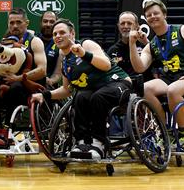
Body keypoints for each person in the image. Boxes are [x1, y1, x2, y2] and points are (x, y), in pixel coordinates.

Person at [31, 19, 131, 160]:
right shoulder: (65, 61)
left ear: (72, 34)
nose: (57, 36)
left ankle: (98, 143)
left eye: (62, 32)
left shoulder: (86, 44)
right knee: (80, 96)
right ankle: (82, 142)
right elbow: (66, 90)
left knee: (98, 96)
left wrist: (84, 54)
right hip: (95, 91)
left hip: (118, 83)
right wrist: (45, 95)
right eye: (55, 34)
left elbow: (107, 65)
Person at [128, 0, 184, 149]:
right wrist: (132, 44)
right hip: (169, 79)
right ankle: (165, 131)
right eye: (149, 15)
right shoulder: (151, 44)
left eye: (156, 13)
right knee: (144, 89)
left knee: (173, 90)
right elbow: (139, 67)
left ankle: (183, 134)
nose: (152, 16)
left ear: (164, 14)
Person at [0, 8, 47, 147]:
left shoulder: (35, 41)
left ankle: (7, 130)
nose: (15, 26)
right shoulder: (5, 42)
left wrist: (19, 78)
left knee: (15, 87)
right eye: (11, 23)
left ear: (27, 23)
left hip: (27, 86)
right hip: (6, 83)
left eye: (19, 22)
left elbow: (42, 70)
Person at [107, 11, 154, 81]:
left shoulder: (145, 45)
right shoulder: (112, 51)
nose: (125, 26)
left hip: (145, 86)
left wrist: (146, 42)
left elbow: (160, 61)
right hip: (122, 87)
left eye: (129, 23)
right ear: (118, 26)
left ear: (137, 26)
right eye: (122, 23)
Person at [36, 11, 61, 88]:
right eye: (45, 21)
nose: (48, 24)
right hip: (30, 81)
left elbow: (58, 73)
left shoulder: (61, 43)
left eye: (52, 22)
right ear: (41, 23)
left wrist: (51, 81)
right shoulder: (32, 39)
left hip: (49, 85)